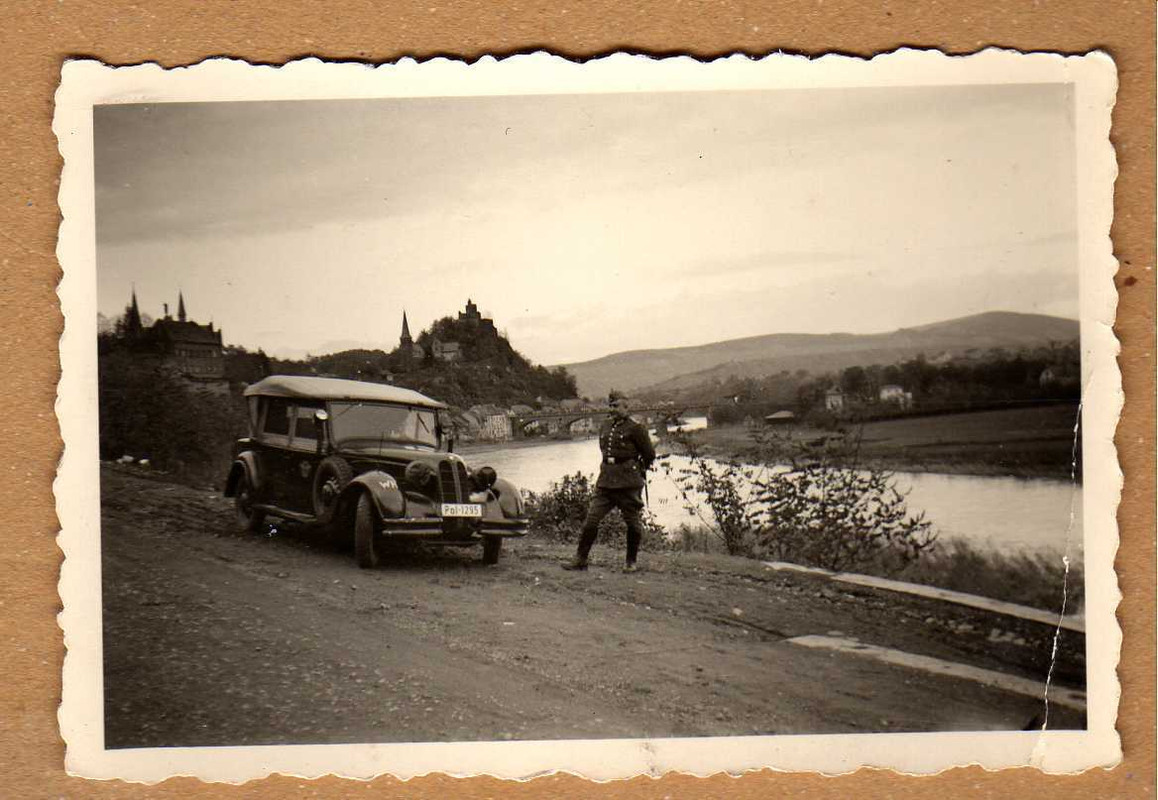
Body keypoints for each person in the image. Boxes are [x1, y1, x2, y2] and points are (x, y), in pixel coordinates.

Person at [562, 389, 656, 572]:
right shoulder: (605, 426)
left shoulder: (636, 428)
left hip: (628, 482)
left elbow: (649, 454)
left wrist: (637, 470)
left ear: (626, 407)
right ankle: (580, 559)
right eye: (610, 406)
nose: (612, 409)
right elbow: (604, 451)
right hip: (606, 481)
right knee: (591, 520)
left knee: (632, 522)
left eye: (616, 406)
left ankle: (631, 562)